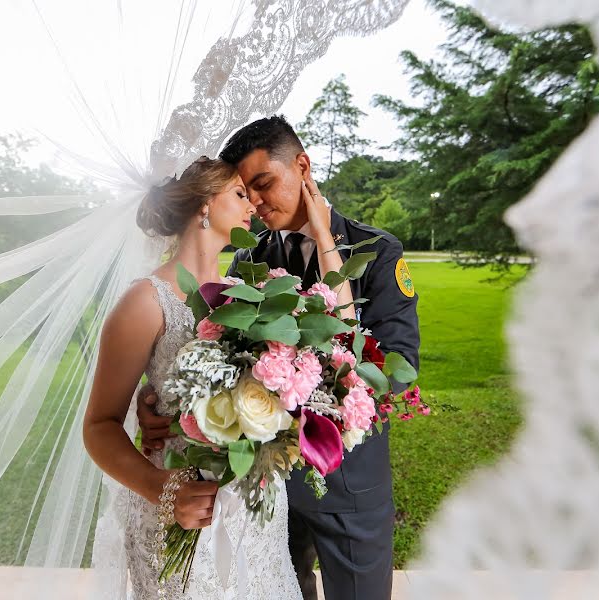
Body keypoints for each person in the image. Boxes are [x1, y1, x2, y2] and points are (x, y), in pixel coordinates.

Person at [137, 116, 420, 600]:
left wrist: (309, 376)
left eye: (265, 183)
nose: (258, 202)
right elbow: (213, 345)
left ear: (303, 166)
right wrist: (162, 396)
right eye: (246, 192)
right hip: (266, 489)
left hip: (349, 488)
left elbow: (396, 371)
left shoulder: (377, 251)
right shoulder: (249, 258)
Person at [83, 154, 355, 599]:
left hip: (256, 509)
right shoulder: (144, 302)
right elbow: (98, 426)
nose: (253, 205)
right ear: (205, 204)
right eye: (240, 194)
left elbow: (340, 322)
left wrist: (323, 228)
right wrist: (166, 491)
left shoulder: (250, 296)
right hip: (180, 511)